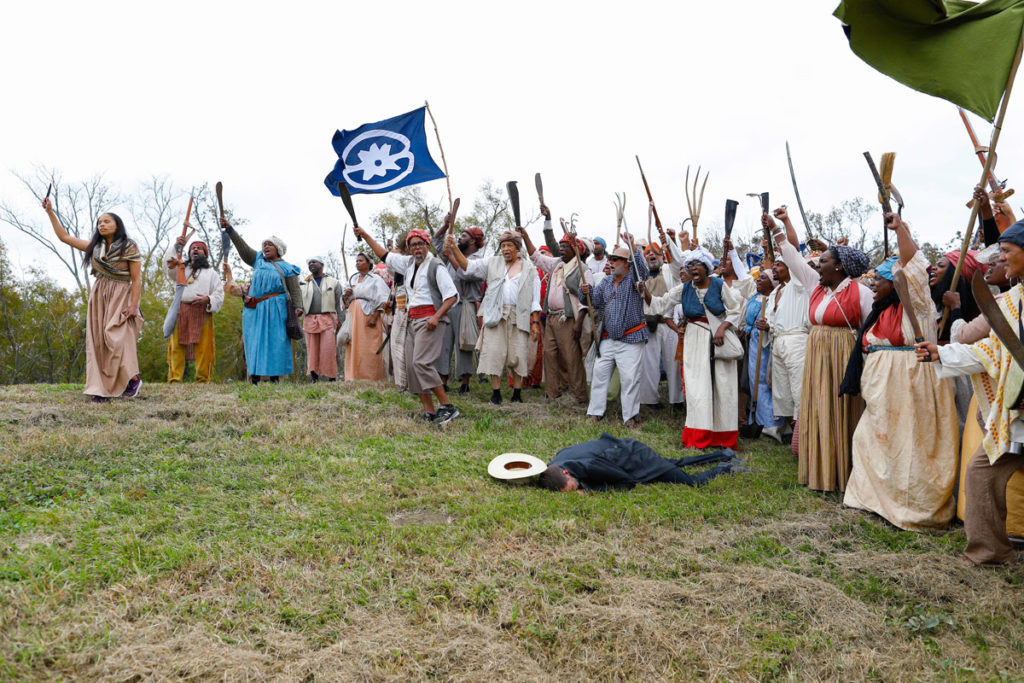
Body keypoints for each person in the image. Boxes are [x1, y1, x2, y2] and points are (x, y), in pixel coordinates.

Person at [915, 219, 1024, 565]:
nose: (1002, 259)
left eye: (1007, 252)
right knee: (981, 472)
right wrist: (941, 352)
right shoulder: (1010, 302)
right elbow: (991, 352)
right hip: (1018, 412)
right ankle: (990, 552)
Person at [841, 214, 958, 531]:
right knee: (871, 441)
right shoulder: (880, 313)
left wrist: (902, 229)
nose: (873, 285)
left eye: (879, 279)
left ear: (898, 281)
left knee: (911, 447)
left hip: (912, 387)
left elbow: (914, 265)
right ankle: (870, 498)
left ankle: (911, 506)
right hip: (882, 395)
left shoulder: (917, 306)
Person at [770, 208, 872, 492]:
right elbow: (793, 259)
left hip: (842, 359)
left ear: (839, 267)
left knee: (839, 410)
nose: (816, 265)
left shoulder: (860, 292)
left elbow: (868, 329)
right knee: (817, 408)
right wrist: (778, 228)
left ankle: (842, 472)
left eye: (823, 260)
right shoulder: (817, 286)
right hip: (817, 357)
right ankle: (820, 468)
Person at [355, 224, 460, 424]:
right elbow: (384, 255)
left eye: (420, 244)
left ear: (427, 245)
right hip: (412, 320)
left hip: (430, 320)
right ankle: (430, 412)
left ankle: (448, 407)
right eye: (413, 245)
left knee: (421, 363)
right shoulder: (409, 264)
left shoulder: (436, 266)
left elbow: (452, 296)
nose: (417, 248)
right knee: (412, 368)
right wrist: (365, 234)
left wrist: (436, 317)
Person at [43, 197, 143, 402]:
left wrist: (134, 306)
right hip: (99, 295)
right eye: (100, 222)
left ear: (117, 225)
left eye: (107, 221)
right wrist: (50, 212)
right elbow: (64, 237)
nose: (102, 224)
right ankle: (101, 389)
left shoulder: (129, 246)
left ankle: (132, 379)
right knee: (98, 341)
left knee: (115, 337)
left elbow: (136, 278)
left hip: (121, 295)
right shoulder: (94, 248)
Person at [645, 246, 744, 449]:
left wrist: (722, 328)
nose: (693, 269)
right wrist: (644, 292)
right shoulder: (684, 288)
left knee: (723, 388)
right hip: (694, 340)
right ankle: (699, 437)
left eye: (697, 265)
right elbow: (661, 304)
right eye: (690, 265)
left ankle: (723, 437)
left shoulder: (719, 285)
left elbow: (736, 309)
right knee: (697, 388)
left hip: (720, 339)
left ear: (706, 267)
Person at [446, 229, 541, 404]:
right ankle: (496, 393)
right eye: (503, 245)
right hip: (495, 314)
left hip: (518, 316)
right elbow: (468, 267)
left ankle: (517, 394)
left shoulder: (530, 269)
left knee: (517, 355)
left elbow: (535, 299)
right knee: (494, 353)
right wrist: (454, 249)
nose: (505, 249)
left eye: (509, 245)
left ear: (517, 248)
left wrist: (535, 321)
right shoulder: (493, 263)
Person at [221, 217, 303, 384]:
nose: (265, 247)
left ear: (278, 249)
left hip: (277, 308)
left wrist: (298, 306)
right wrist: (230, 230)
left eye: (269, 244)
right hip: (255, 308)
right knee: (254, 341)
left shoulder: (287, 267)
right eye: (264, 244)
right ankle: (255, 377)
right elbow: (243, 249)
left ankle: (274, 378)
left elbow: (295, 289)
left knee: (276, 342)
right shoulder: (257, 260)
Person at [580, 238, 649, 426]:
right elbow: (593, 301)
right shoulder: (606, 282)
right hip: (608, 339)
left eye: (617, 259)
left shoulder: (635, 279)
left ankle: (630, 417)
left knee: (629, 379)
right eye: (611, 258)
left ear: (627, 264)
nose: (611, 261)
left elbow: (643, 270)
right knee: (599, 375)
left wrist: (634, 248)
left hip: (632, 338)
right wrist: (584, 290)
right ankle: (595, 412)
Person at [522, 226, 594, 404]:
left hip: (568, 319)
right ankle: (553, 394)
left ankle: (579, 396)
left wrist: (578, 323)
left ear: (575, 250)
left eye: (565, 247)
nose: (561, 250)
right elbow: (536, 257)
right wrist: (526, 237)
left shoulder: (583, 269)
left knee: (571, 358)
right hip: (552, 317)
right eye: (560, 247)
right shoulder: (556, 264)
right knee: (549, 353)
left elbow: (587, 298)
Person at [537, 432, 746, 492]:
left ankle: (724, 466)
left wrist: (590, 490)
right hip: (619, 447)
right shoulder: (555, 464)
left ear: (566, 474)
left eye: (573, 487)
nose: (576, 490)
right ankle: (723, 454)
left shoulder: (590, 467)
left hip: (635, 457)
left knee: (691, 482)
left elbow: (627, 482)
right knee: (675, 462)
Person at [762, 218, 811, 431]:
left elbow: (794, 254)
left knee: (799, 388)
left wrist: (780, 225)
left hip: (796, 341)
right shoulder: (775, 292)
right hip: (778, 341)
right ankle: (793, 432)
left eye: (779, 264)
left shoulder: (798, 285)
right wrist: (766, 326)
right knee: (782, 391)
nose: (775, 267)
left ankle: (805, 434)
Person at [163, 234, 224, 383]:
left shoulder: (212, 273)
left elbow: (219, 293)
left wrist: (208, 299)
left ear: (205, 253)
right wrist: (177, 245)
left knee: (203, 347)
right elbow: (167, 267)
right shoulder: (180, 268)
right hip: (181, 310)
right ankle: (175, 379)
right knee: (177, 346)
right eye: (193, 248)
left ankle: (202, 379)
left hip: (202, 311)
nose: (195, 250)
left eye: (199, 248)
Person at [433, 222, 486, 394]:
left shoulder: (479, 261)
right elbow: (436, 241)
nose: (459, 238)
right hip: (447, 305)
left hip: (466, 304)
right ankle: (442, 380)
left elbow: (465, 274)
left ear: (473, 242)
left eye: (464, 236)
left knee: (464, 343)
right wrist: (446, 224)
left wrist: (451, 254)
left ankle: (465, 382)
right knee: (443, 343)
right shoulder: (452, 255)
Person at [638, 242, 684, 409]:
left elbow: (678, 264)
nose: (652, 255)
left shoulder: (669, 271)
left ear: (662, 256)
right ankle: (650, 400)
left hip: (669, 324)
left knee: (674, 362)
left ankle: (677, 400)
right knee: (648, 364)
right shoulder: (640, 275)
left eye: (656, 253)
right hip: (649, 325)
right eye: (648, 253)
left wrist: (670, 242)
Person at [745, 268, 785, 441]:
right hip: (753, 341)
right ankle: (757, 420)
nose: (758, 281)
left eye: (763, 278)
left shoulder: (776, 300)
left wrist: (768, 327)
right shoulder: (755, 297)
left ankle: (771, 424)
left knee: (765, 381)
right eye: (758, 278)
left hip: (767, 342)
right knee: (755, 381)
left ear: (772, 282)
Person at [341, 253, 389, 381]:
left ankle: (369, 376)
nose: (357, 263)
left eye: (361, 260)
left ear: (369, 263)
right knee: (352, 344)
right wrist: (346, 295)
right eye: (356, 261)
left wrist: (375, 316)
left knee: (368, 345)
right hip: (353, 315)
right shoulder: (352, 279)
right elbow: (344, 302)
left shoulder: (375, 279)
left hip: (368, 314)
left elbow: (383, 298)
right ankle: (352, 375)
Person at [299, 256, 343, 382]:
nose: (311, 264)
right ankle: (314, 378)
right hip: (310, 319)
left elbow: (339, 303)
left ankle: (332, 378)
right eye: (310, 262)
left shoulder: (334, 282)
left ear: (322, 264)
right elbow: (298, 302)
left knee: (328, 349)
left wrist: (341, 321)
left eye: (314, 262)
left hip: (328, 318)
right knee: (312, 349)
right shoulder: (304, 283)